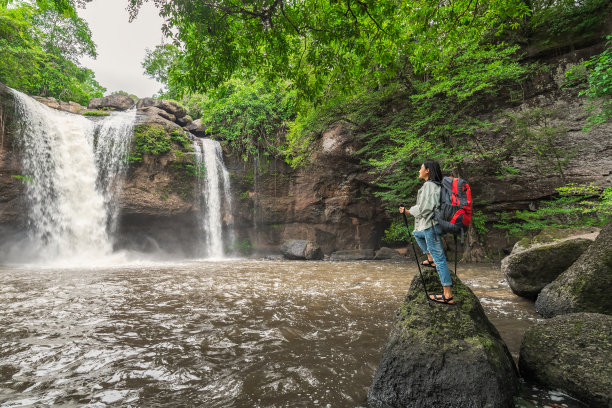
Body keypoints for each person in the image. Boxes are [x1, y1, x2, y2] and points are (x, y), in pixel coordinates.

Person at [399, 160, 455, 305]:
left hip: (431, 225)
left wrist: (409, 211)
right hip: (436, 225)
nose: (419, 171)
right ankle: (430, 259)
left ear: (428, 170)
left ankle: (447, 295)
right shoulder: (437, 185)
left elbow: (425, 208)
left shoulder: (429, 186)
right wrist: (410, 210)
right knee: (417, 234)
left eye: (421, 168)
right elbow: (425, 206)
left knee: (440, 260)